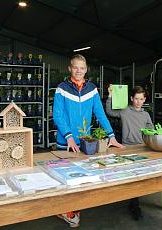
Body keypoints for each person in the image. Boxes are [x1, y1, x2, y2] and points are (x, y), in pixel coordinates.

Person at [53, 54, 123, 228]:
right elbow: (58, 115)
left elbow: (100, 113)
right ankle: (66, 210)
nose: (78, 71)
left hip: (86, 142)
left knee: (81, 177)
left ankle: (72, 209)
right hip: (65, 143)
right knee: (65, 178)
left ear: (86, 70)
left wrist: (111, 136)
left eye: (82, 68)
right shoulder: (61, 88)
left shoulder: (92, 89)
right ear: (70, 68)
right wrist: (69, 137)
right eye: (75, 67)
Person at [106, 84, 154, 220]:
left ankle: (134, 202)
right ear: (131, 98)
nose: (138, 101)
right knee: (130, 177)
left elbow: (151, 130)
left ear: (144, 100)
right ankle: (134, 204)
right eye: (136, 98)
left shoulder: (146, 115)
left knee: (140, 177)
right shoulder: (124, 111)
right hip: (127, 148)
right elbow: (109, 111)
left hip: (143, 149)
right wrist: (110, 95)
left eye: (141, 99)